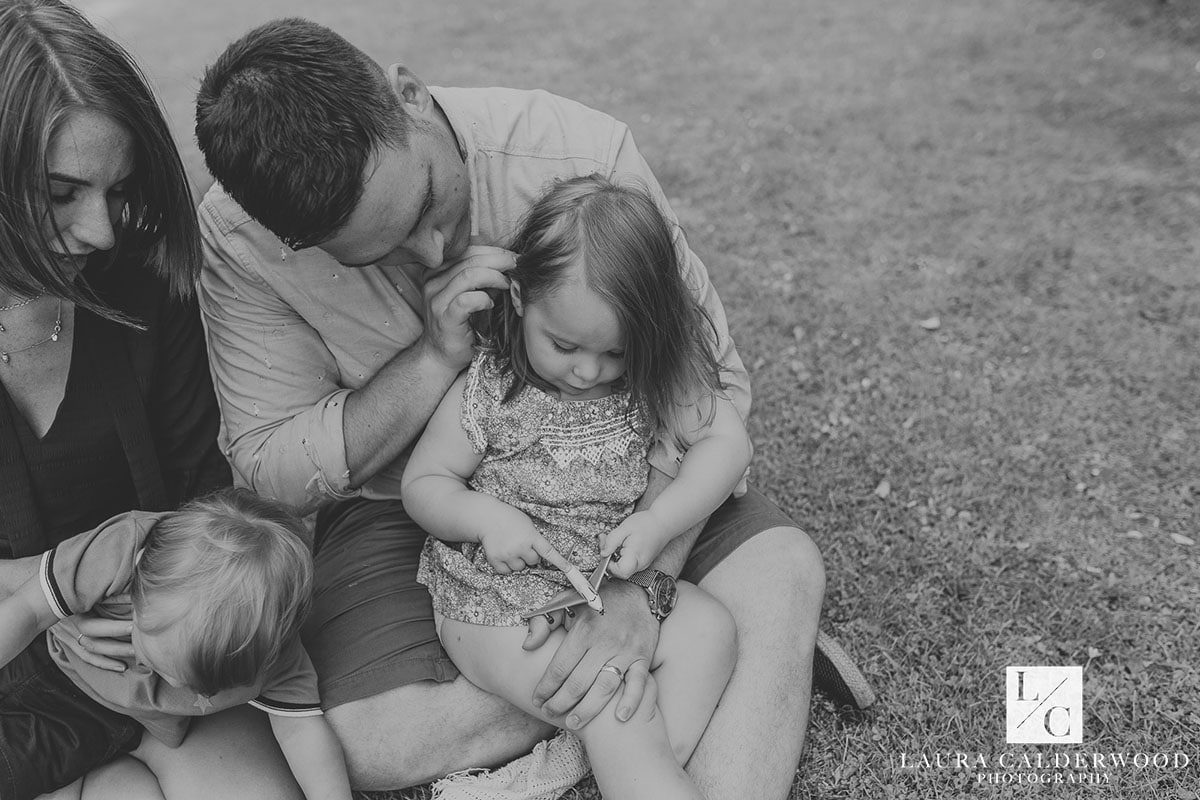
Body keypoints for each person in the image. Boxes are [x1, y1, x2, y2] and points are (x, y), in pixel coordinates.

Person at [194, 18, 852, 798]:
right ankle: (670, 690)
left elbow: (718, 394)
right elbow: (272, 471)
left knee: (783, 569)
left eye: (426, 206)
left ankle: (649, 692)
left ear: (408, 94)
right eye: (379, 254)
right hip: (427, 523)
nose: (436, 254)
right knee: (365, 742)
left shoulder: (581, 154)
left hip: (631, 491)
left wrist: (639, 590)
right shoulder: (242, 241)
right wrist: (433, 359)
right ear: (297, 242)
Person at [0, 2, 305, 798]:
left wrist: (177, 602)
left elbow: (206, 486)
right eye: (61, 192)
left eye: (118, 190)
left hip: (148, 673)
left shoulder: (137, 287)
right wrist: (56, 586)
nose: (100, 229)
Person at [401, 175, 750, 799]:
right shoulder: (491, 387)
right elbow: (425, 482)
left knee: (710, 633)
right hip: (500, 604)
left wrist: (660, 521)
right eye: (563, 345)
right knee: (616, 696)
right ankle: (638, 771)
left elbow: (728, 446)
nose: (589, 371)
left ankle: (582, 772)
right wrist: (483, 518)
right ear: (521, 298)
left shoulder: (652, 381)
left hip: (596, 586)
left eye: (615, 352)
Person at [0, 489, 351, 800]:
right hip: (52, 666)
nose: (178, 686)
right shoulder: (122, 549)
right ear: (138, 580)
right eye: (160, 664)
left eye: (203, 686)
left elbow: (301, 731)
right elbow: (28, 611)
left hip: (107, 719)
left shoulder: (272, 652)